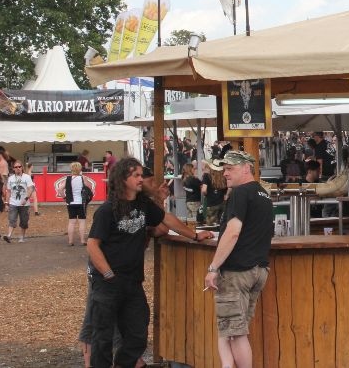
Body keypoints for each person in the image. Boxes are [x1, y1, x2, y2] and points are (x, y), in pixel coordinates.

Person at [86, 157, 213, 368]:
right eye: (135, 175)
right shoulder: (107, 210)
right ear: (123, 179)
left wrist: (194, 235)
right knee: (103, 337)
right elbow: (92, 245)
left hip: (132, 281)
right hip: (107, 283)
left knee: (138, 332)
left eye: (140, 175)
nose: (140, 179)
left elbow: (166, 219)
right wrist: (108, 274)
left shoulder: (143, 204)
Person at [203, 151, 273, 368]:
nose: (225, 173)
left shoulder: (240, 193)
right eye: (224, 169)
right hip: (258, 270)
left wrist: (213, 268)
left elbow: (233, 232)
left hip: (237, 272)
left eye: (230, 169)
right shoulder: (263, 194)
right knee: (231, 328)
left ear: (246, 168)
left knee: (235, 333)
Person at [3, 160, 34, 242]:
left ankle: (22, 237)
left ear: (22, 167)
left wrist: (26, 198)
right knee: (12, 219)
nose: (18, 168)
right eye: (16, 167)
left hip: (24, 204)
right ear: (13, 168)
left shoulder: (26, 177)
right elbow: (8, 191)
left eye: (19, 167)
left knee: (24, 221)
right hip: (13, 203)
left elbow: (31, 188)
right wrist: (6, 203)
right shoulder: (11, 178)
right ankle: (9, 236)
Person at [65, 161, 91, 245]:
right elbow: (89, 188)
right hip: (81, 203)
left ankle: (70, 241)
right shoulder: (83, 178)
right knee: (82, 222)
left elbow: (60, 189)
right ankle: (82, 240)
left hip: (71, 202)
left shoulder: (68, 179)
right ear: (80, 169)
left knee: (71, 222)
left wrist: (64, 197)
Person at [202, 160, 228, 225]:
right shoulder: (224, 177)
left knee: (210, 225)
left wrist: (206, 194)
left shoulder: (207, 176)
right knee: (221, 224)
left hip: (211, 203)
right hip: (222, 203)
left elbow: (204, 190)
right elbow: (228, 188)